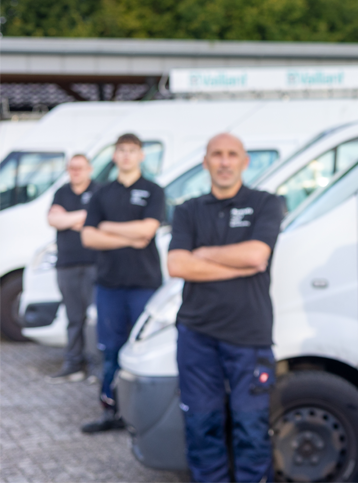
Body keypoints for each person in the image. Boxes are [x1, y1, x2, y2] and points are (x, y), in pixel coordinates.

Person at [167, 133, 283, 483]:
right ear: (206, 163)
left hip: (249, 335)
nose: (224, 161)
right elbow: (177, 265)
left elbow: (256, 255)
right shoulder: (187, 211)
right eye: (216, 154)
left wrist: (202, 255)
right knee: (202, 425)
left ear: (245, 162)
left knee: (251, 427)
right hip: (196, 335)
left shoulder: (266, 204)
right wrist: (237, 265)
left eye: (232, 154)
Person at [80, 133, 164, 433]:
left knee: (142, 348)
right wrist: (130, 235)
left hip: (144, 283)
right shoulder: (102, 194)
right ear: (114, 156)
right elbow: (88, 237)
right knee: (110, 349)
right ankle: (110, 410)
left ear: (141, 155)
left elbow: (148, 232)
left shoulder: (153, 191)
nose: (127, 156)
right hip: (110, 286)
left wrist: (108, 228)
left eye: (132, 150)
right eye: (121, 151)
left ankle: (140, 414)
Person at [46, 153, 100, 382]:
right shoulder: (62, 192)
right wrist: (82, 218)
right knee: (73, 317)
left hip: (94, 263)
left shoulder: (99, 191)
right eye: (72, 168)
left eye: (80, 168)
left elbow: (98, 222)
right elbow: (53, 220)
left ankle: (96, 367)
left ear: (89, 169)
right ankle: (73, 363)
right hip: (67, 264)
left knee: (94, 318)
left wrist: (68, 218)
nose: (75, 172)